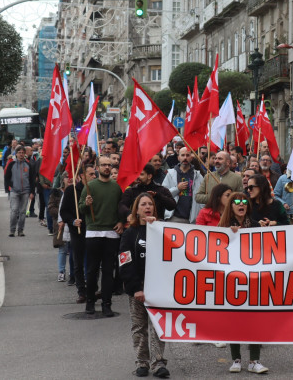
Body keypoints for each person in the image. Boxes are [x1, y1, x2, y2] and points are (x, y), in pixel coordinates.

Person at [119, 193, 170, 378]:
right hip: (138, 289)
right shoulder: (130, 233)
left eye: (150, 204)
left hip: (159, 289)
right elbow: (125, 262)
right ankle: (142, 362)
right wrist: (135, 288)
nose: (147, 207)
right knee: (139, 327)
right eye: (143, 204)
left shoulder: (163, 231)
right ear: (137, 209)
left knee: (157, 326)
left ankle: (158, 363)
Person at [218, 193, 268, 374]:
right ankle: (236, 359)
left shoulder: (255, 226)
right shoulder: (222, 228)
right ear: (231, 206)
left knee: (255, 320)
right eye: (237, 202)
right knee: (234, 320)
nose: (241, 204)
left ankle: (254, 360)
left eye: (244, 202)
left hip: (253, 280)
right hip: (232, 280)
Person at [78, 156, 125, 317]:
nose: (107, 167)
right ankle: (90, 302)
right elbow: (81, 208)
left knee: (108, 271)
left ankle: (107, 304)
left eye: (109, 165)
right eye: (103, 165)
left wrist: (121, 222)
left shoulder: (116, 187)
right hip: (93, 232)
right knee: (91, 271)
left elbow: (121, 208)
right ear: (97, 167)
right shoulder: (89, 187)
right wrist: (87, 204)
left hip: (111, 233)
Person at [60, 165, 96, 304]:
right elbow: (64, 211)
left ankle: (92, 289)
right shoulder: (71, 190)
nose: (94, 176)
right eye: (91, 174)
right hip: (78, 231)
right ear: (82, 176)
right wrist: (73, 221)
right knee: (78, 262)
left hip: (93, 230)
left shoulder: (96, 189)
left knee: (93, 261)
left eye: (95, 174)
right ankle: (81, 291)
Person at [162, 147, 204, 223]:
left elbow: (201, 199)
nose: (185, 158)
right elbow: (163, 194)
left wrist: (199, 217)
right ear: (178, 157)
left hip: (192, 220)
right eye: (183, 155)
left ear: (191, 158)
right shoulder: (170, 174)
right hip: (174, 217)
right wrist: (177, 189)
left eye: (188, 155)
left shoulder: (198, 176)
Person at [4, 145, 35, 237]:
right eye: (19, 153)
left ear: (24, 154)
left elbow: (31, 179)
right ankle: (12, 230)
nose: (21, 154)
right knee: (14, 210)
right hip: (14, 191)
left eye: (22, 153)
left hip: (25, 191)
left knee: (22, 212)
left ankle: (20, 230)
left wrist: (32, 192)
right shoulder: (11, 164)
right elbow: (7, 177)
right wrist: (10, 186)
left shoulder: (28, 165)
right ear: (16, 154)